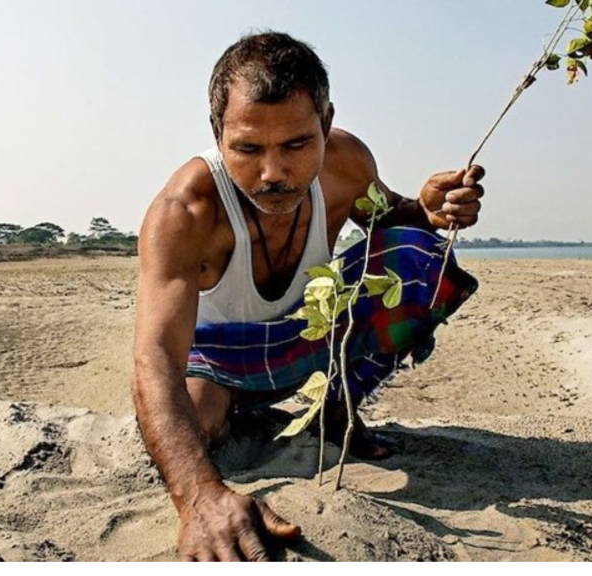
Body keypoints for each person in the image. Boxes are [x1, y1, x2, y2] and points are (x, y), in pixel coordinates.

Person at [132, 31, 485, 562]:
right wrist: (200, 496)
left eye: (297, 145)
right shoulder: (185, 211)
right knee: (199, 425)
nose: (273, 173)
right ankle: (238, 408)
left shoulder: (346, 163)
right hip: (218, 357)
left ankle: (336, 411)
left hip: (311, 338)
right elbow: (154, 356)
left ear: (325, 123)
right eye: (248, 149)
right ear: (217, 132)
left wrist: (428, 210)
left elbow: (394, 222)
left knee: (420, 259)